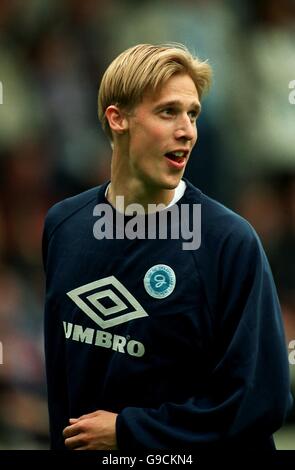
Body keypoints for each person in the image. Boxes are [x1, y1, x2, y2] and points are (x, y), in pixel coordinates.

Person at [42, 43, 292, 451]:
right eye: (168, 112)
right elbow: (63, 384)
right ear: (117, 118)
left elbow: (260, 400)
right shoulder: (64, 227)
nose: (187, 130)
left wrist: (130, 433)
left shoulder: (228, 242)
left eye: (192, 113)